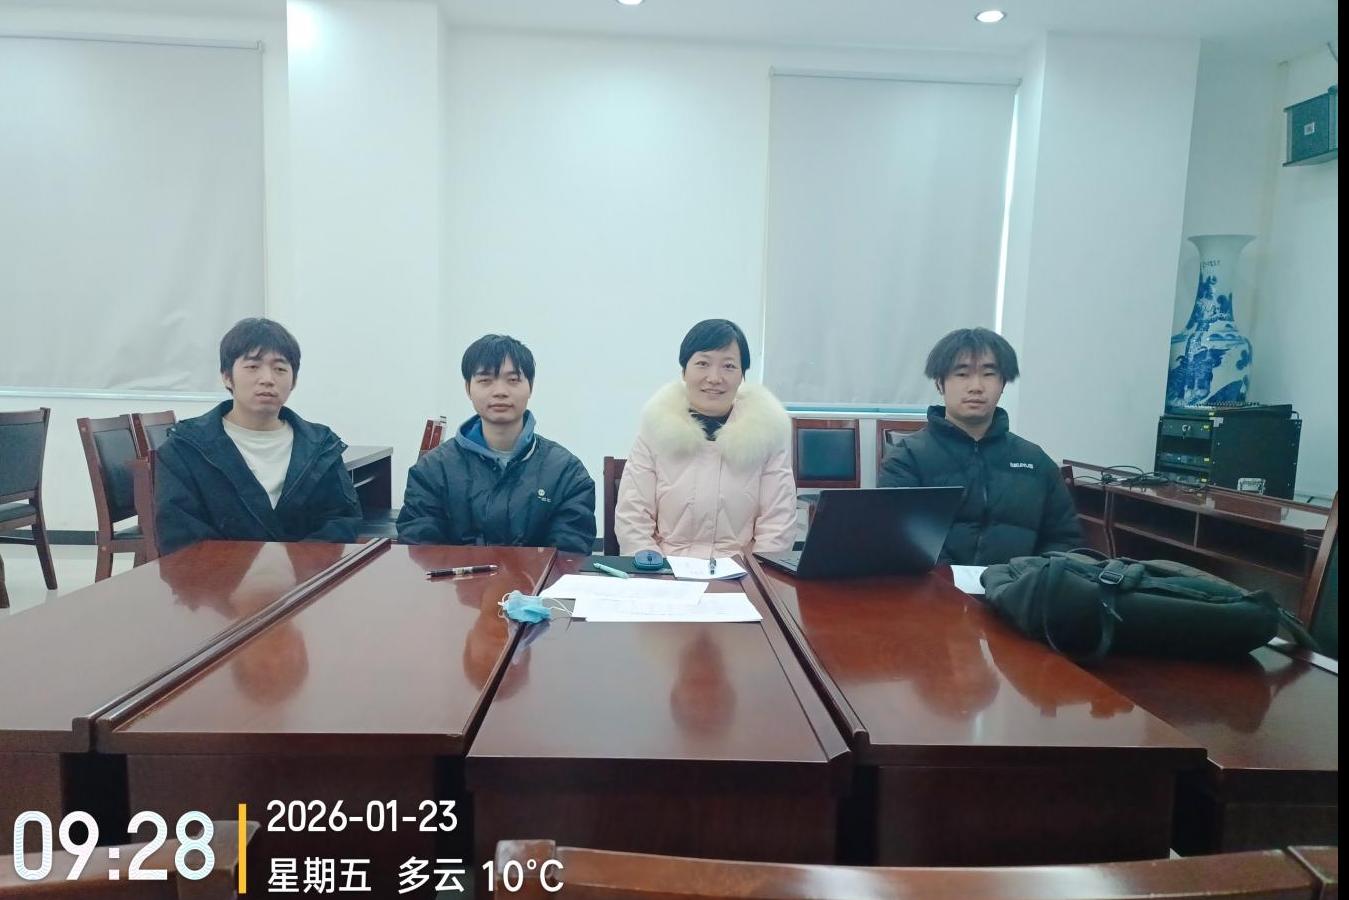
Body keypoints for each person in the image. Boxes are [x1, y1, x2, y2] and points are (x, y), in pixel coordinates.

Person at [156, 318, 362, 556]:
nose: (267, 379)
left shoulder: (321, 446)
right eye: (253, 367)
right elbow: (180, 535)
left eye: (280, 369)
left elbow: (342, 520)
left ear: (293, 381)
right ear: (227, 376)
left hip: (307, 575)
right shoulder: (186, 447)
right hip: (219, 576)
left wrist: (294, 565)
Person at [878, 327, 1082, 565]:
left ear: (1003, 383)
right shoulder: (907, 459)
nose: (976, 386)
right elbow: (900, 539)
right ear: (940, 383)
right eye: (962, 374)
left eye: (988, 374)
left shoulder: (1035, 462)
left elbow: (1065, 540)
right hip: (936, 586)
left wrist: (1027, 577)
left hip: (1017, 586)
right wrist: (950, 581)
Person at [397, 334, 595, 553]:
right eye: (485, 380)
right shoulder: (432, 470)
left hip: (537, 578)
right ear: (468, 388)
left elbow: (569, 555)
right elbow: (421, 550)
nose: (500, 392)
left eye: (513, 380)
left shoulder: (566, 472)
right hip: (456, 577)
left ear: (530, 387)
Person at [616, 319, 796, 558]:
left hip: (742, 571)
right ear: (684, 371)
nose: (714, 378)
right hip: (666, 569)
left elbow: (778, 523)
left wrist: (756, 574)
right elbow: (633, 518)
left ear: (742, 375)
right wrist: (652, 569)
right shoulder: (655, 431)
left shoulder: (767, 436)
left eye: (729, 366)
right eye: (702, 363)